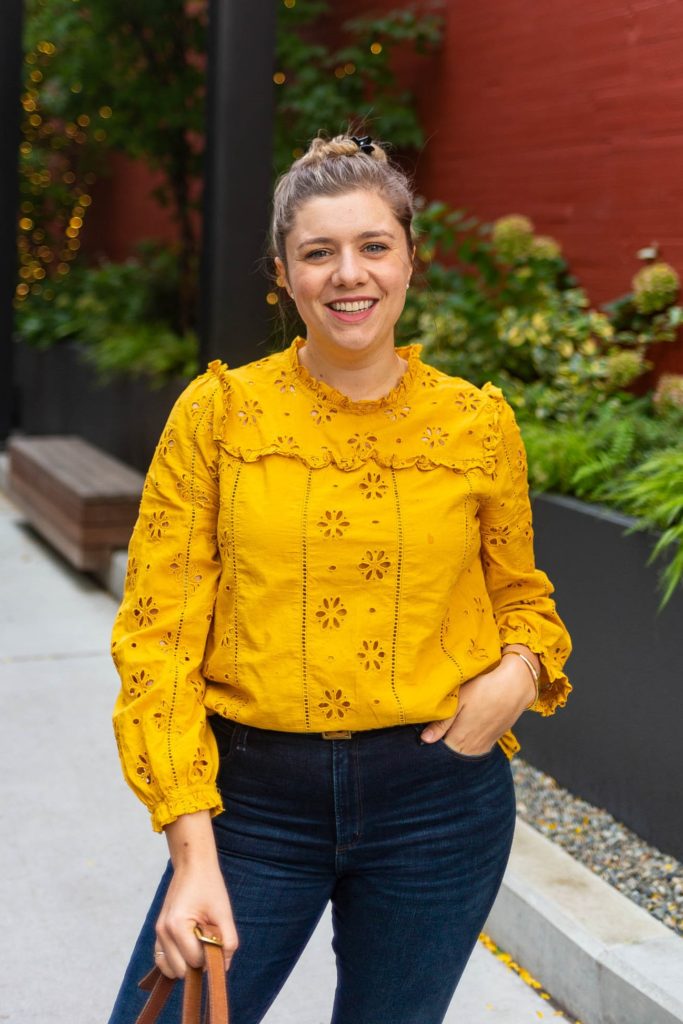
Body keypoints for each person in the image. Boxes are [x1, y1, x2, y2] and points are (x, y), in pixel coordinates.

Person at [108, 132, 572, 1024]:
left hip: (438, 804)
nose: (347, 274)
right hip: (250, 807)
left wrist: (516, 676)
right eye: (318, 252)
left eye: (372, 246)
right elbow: (157, 638)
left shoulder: (475, 424)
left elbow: (522, 595)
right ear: (282, 273)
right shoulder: (219, 414)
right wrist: (192, 856)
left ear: (407, 260)